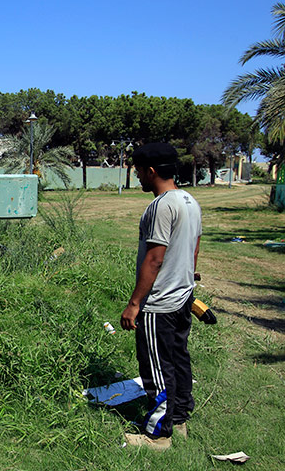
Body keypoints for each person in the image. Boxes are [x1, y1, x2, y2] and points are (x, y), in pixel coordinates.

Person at [121, 143, 202, 451]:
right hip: (182, 298)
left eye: (139, 171)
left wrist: (134, 303)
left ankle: (158, 434)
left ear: (151, 171)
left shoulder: (161, 206)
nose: (138, 176)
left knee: (156, 367)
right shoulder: (190, 201)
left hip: (159, 304)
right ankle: (179, 418)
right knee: (178, 359)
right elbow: (193, 250)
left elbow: (155, 258)